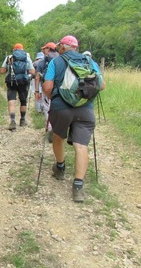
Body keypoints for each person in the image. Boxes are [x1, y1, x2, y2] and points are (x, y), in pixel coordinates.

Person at [42, 35, 106, 202]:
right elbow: (102, 85)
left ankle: (60, 168)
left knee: (58, 137)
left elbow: (47, 87)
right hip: (85, 109)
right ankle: (78, 186)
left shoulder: (56, 62)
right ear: (76, 48)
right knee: (81, 145)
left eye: (59, 47)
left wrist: (54, 98)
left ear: (62, 47)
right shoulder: (90, 62)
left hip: (61, 108)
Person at [0, 43, 35, 130]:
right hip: (23, 82)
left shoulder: (9, 57)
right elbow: (32, 71)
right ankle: (22, 120)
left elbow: (2, 71)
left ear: (14, 50)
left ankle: (12, 121)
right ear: (22, 50)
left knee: (12, 101)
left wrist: (9, 67)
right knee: (23, 101)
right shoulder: (27, 57)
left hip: (12, 82)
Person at [34, 42, 59, 142]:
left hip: (47, 88)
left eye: (44, 48)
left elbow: (37, 77)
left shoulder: (43, 61)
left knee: (47, 108)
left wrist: (37, 91)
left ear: (49, 49)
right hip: (60, 88)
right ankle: (58, 130)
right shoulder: (61, 58)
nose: (43, 50)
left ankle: (50, 128)